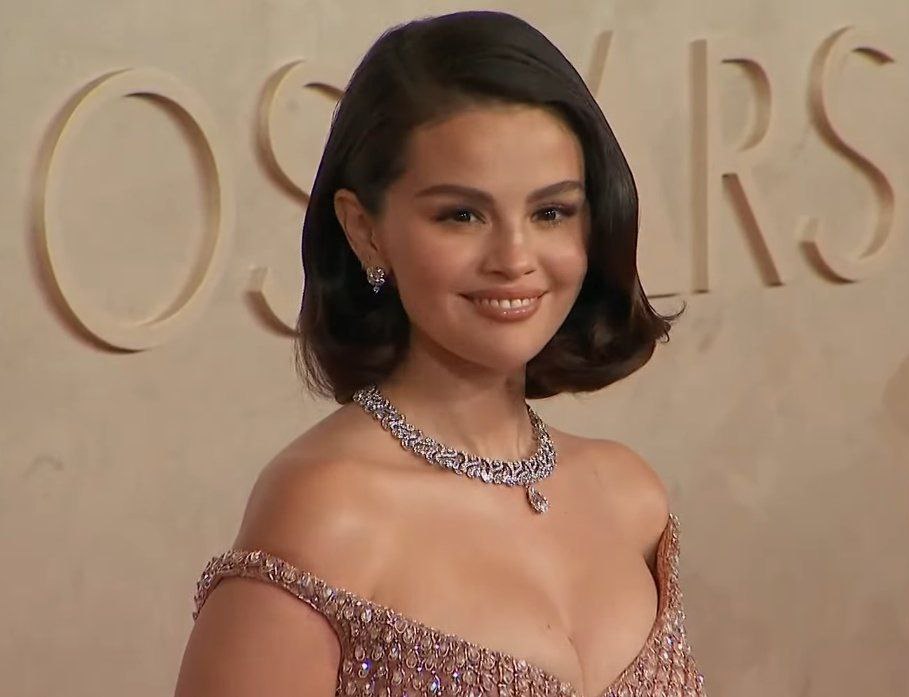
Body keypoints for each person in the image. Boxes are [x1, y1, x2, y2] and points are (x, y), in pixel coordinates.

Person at [174, 10, 706, 697]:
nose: (515, 258)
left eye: (550, 212)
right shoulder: (325, 512)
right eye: (462, 214)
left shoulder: (630, 498)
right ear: (364, 230)